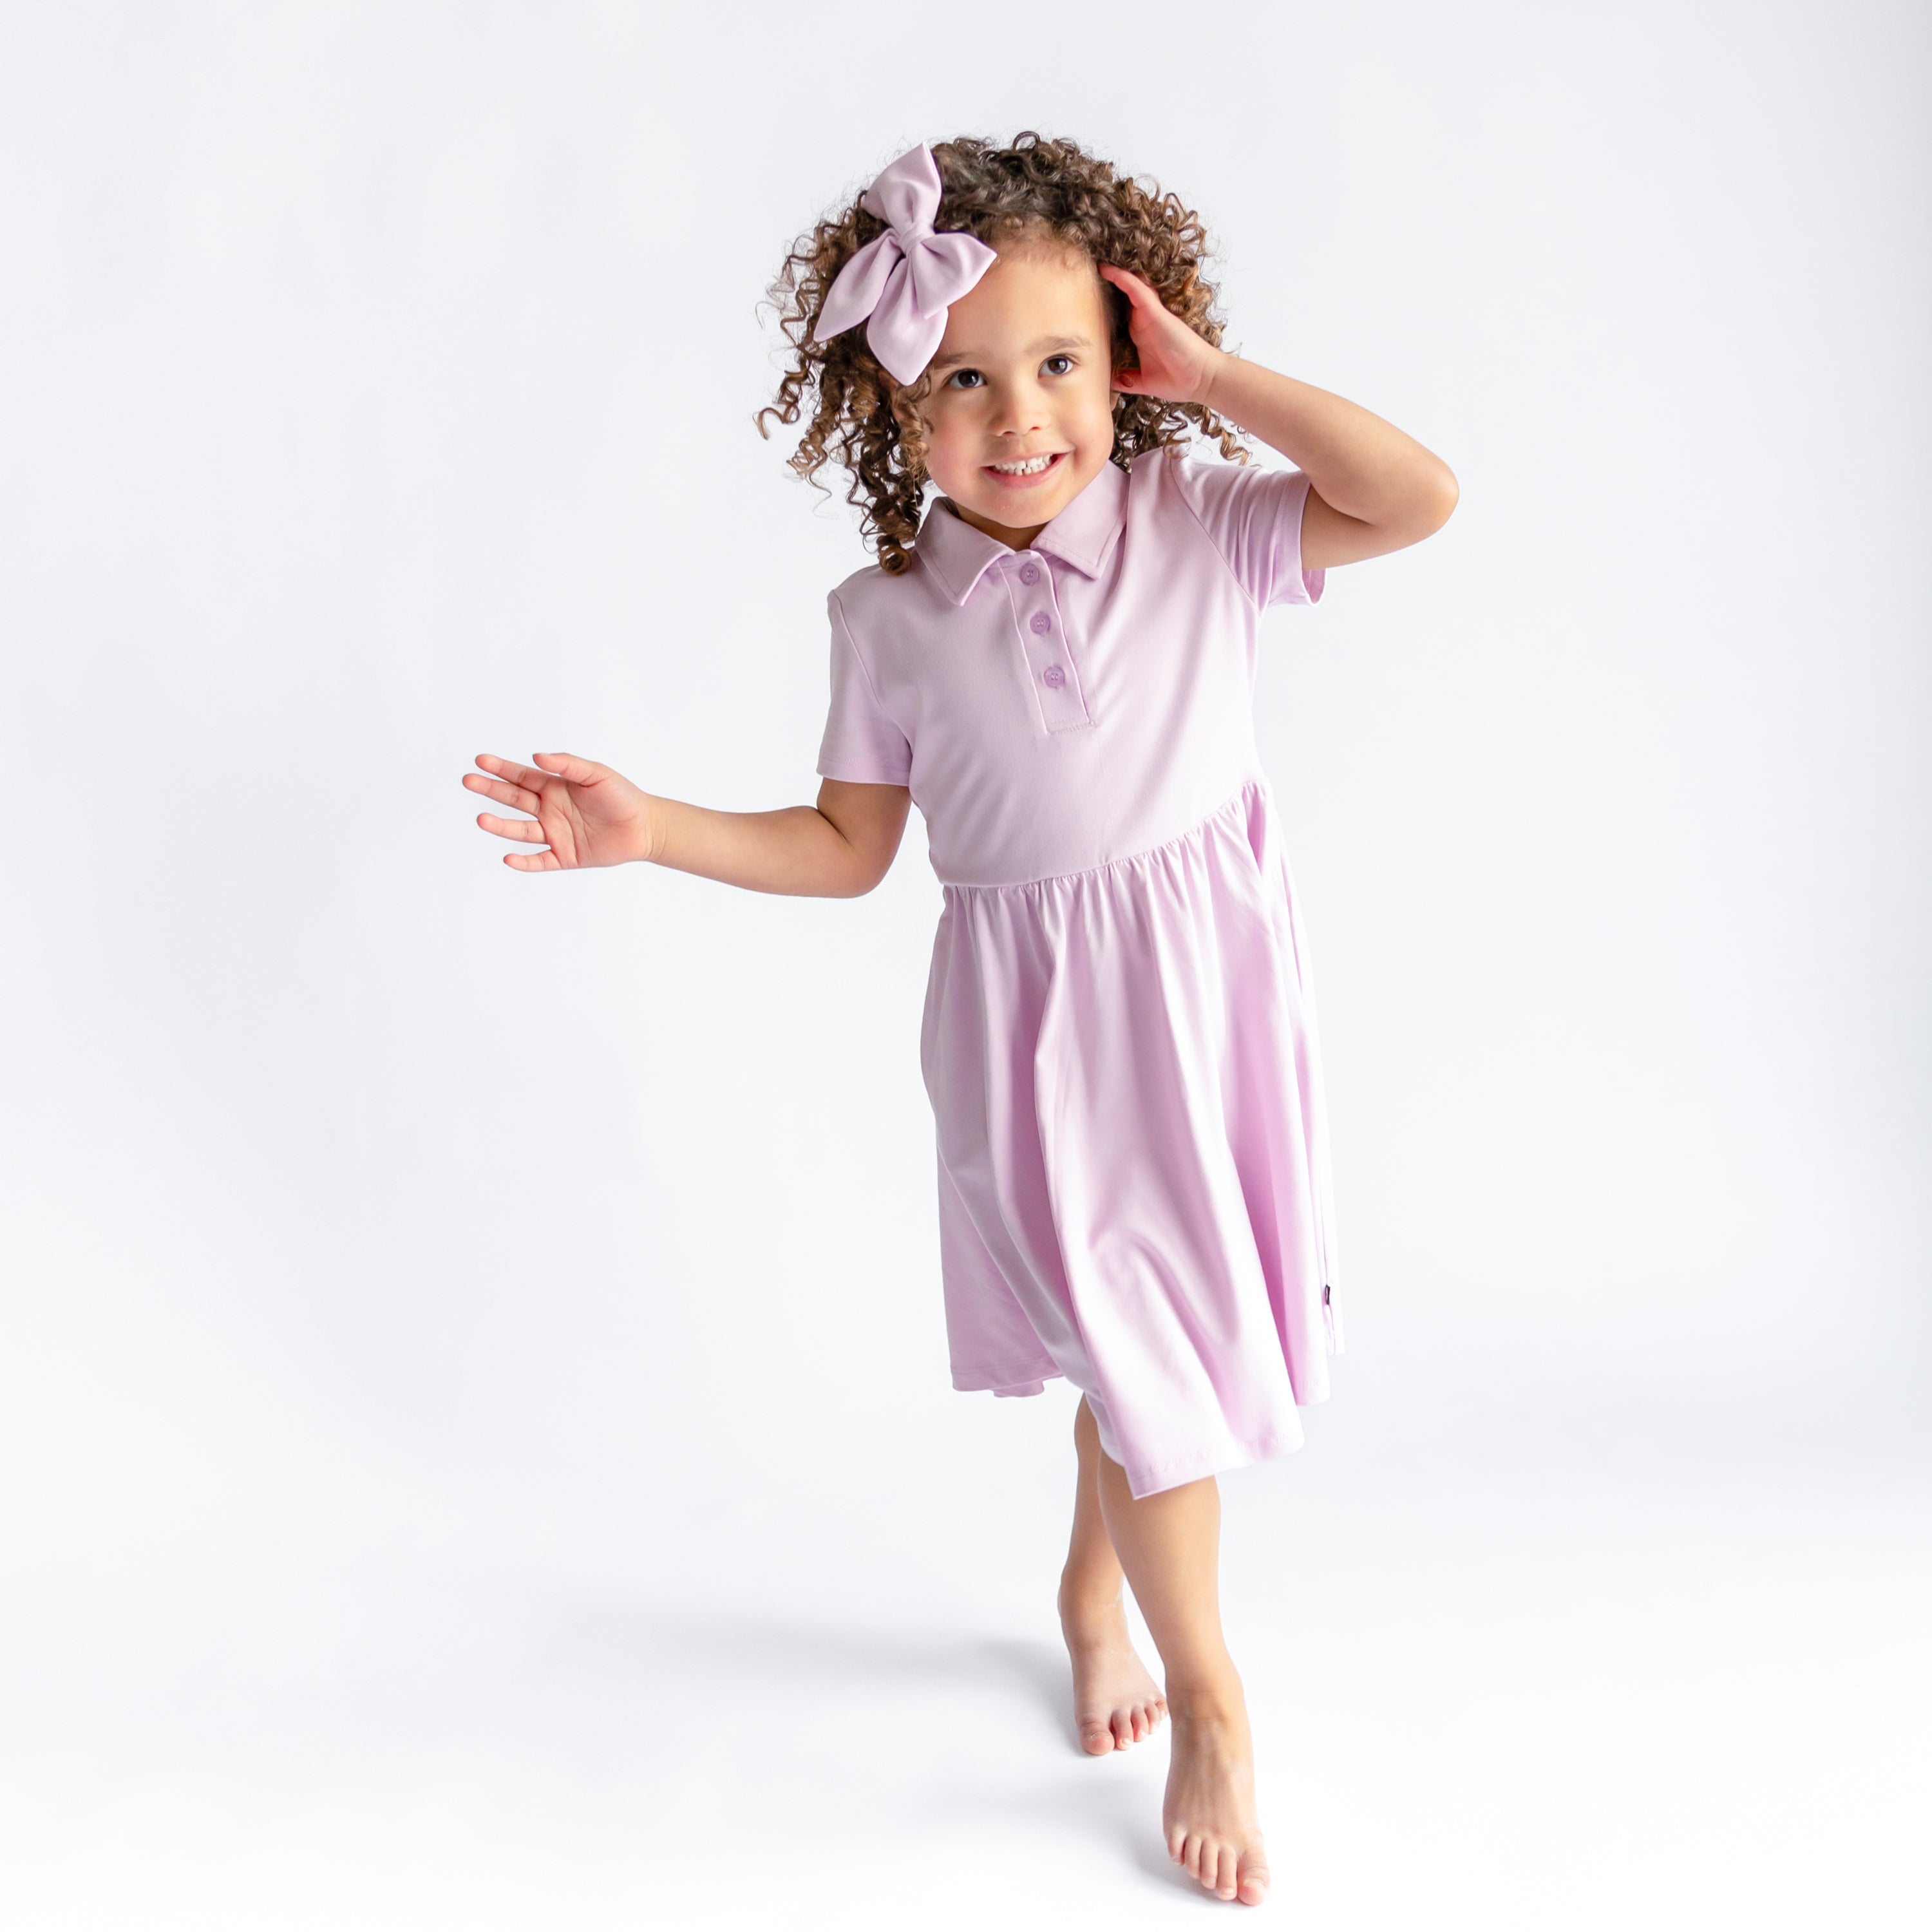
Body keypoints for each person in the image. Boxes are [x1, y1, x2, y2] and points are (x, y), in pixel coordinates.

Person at [462, 133, 1455, 1908]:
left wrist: (1216, 383)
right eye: (967, 377)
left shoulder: (1197, 525)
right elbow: (850, 850)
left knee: (1146, 1347)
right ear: (891, 404)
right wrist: (652, 828)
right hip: (1033, 1036)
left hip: (1207, 1001)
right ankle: (1215, 1695)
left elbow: (1417, 496)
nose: (1023, 418)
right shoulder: (889, 622)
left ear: (1129, 359)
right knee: (1146, 1359)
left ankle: (1094, 1592)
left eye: (1065, 362)